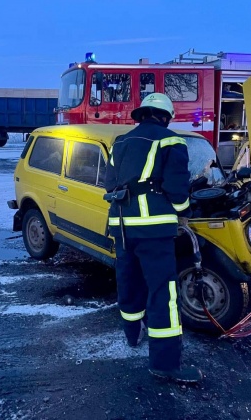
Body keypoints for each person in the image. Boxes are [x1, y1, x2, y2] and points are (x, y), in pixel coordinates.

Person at [103, 93, 202, 384]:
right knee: (163, 292)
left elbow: (109, 182)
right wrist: (185, 211)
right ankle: (166, 363)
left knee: (129, 281)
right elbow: (177, 188)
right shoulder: (172, 141)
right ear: (166, 117)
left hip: (121, 225)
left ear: (143, 114)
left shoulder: (120, 141)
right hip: (154, 228)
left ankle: (133, 336)